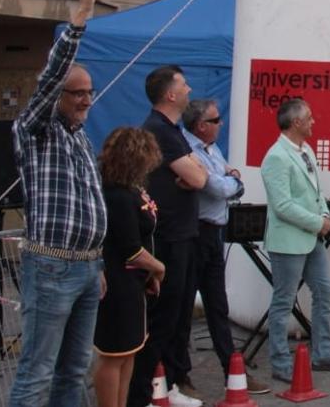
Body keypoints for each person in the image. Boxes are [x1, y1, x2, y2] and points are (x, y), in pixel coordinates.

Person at [9, 0, 108, 407]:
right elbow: (52, 78)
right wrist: (82, 13)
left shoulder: (79, 136)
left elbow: (90, 202)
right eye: (77, 94)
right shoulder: (37, 130)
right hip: (51, 266)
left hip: (86, 267)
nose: (87, 100)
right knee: (37, 373)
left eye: (90, 93)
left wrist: (96, 263)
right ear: (56, 97)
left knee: (73, 372)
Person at [130, 65, 206, 407]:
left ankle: (169, 384)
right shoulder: (157, 130)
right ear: (170, 94)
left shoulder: (174, 131)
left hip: (185, 234)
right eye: (184, 85)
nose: (189, 90)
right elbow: (201, 178)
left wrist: (194, 172)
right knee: (161, 318)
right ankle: (143, 392)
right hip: (167, 238)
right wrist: (193, 174)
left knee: (178, 317)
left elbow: (199, 172)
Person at [180, 100, 267, 395]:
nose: (222, 124)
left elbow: (227, 175)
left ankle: (233, 372)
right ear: (201, 126)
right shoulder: (189, 150)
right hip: (197, 233)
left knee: (218, 306)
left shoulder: (210, 149)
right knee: (182, 309)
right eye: (216, 120)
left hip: (214, 233)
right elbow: (216, 186)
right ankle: (181, 377)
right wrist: (232, 182)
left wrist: (230, 180)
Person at [261, 99, 330, 382]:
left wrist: (324, 213)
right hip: (288, 241)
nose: (313, 122)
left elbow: (316, 189)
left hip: (312, 238)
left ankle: (321, 353)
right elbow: (282, 205)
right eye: (309, 118)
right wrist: (318, 222)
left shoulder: (306, 150)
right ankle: (281, 363)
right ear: (295, 123)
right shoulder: (276, 157)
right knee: (283, 301)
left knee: (325, 291)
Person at [93, 128, 165, 407]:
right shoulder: (117, 196)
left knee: (130, 351)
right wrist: (158, 267)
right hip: (119, 281)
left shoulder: (132, 190)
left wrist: (149, 275)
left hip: (135, 282)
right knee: (114, 355)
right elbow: (130, 248)